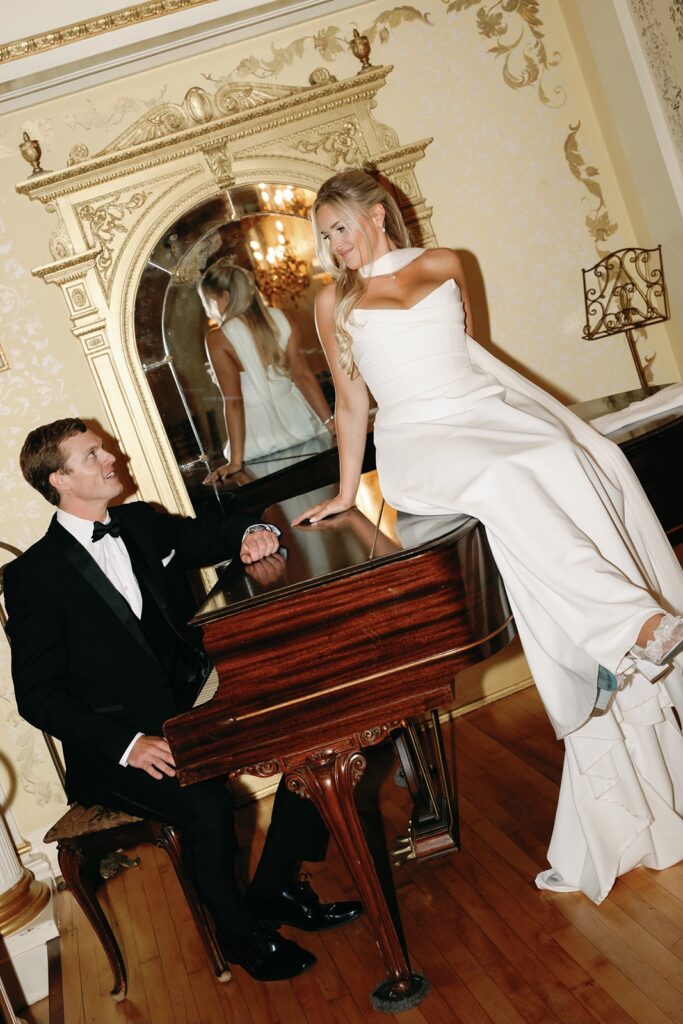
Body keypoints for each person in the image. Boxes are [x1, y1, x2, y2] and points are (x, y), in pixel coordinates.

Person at [293, 169, 683, 904]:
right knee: (503, 479)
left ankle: (629, 629)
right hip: (419, 442)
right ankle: (633, 622)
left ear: (377, 216)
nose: (334, 246)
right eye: (325, 236)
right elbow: (351, 403)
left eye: (340, 227)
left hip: (479, 413)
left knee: (555, 456)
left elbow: (467, 351)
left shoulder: (445, 262)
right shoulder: (331, 300)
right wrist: (346, 492)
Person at [4, 417, 361, 981]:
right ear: (60, 480)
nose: (110, 457)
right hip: (119, 748)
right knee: (207, 807)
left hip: (194, 708)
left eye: (104, 448)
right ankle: (241, 935)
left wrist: (247, 533)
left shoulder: (140, 523)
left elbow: (205, 536)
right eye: (92, 454)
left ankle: (274, 890)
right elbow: (38, 696)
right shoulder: (31, 577)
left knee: (311, 739)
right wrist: (127, 745)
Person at [198, 260, 335, 484]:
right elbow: (303, 376)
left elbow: (233, 402)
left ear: (221, 298)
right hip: (299, 420)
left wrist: (235, 462)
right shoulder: (284, 318)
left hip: (257, 436)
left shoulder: (218, 339)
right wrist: (330, 423)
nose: (209, 309)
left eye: (207, 302)